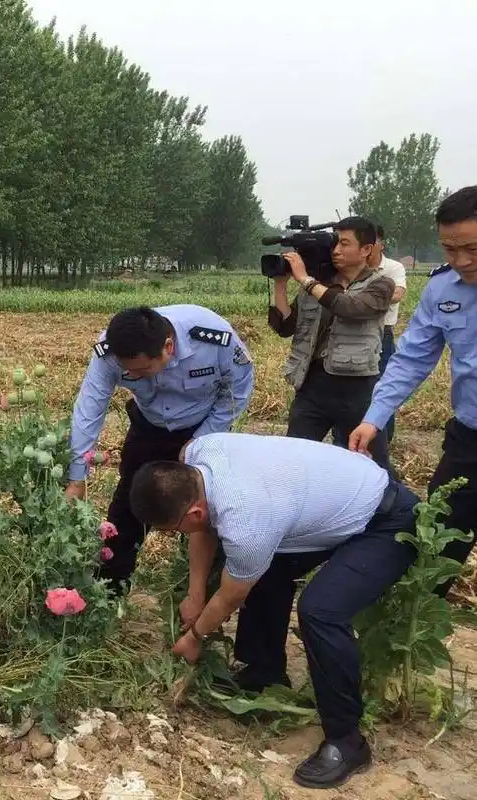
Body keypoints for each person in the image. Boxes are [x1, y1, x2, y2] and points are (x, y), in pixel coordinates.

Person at [129, 432, 418, 790]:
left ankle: (346, 741)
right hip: (329, 500)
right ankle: (264, 672)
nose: (175, 534)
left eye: (173, 529)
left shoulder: (247, 521)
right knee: (264, 569)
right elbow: (204, 528)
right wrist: (195, 591)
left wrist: (194, 637)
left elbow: (231, 596)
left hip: (386, 521)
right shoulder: (199, 452)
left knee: (320, 610)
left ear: (193, 511)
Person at [65, 305, 254, 594]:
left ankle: (198, 594)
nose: (132, 375)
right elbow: (90, 408)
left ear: (168, 346)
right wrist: (77, 477)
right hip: (149, 426)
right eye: (127, 371)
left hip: (203, 428)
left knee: (204, 513)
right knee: (128, 509)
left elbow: (237, 390)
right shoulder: (110, 349)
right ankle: (110, 592)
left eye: (141, 370)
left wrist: (201, 439)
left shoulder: (212, 339)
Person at [351, 185, 477, 595]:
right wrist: (375, 417)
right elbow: (411, 359)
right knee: (436, 539)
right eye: (449, 249)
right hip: (469, 439)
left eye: (472, 248)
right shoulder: (443, 289)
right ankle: (413, 629)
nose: (461, 261)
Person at [268, 216, 395, 471]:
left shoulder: (381, 284)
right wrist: (280, 286)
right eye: (335, 242)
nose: (336, 250)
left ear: (366, 249)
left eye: (344, 243)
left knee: (371, 463)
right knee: (294, 458)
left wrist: (305, 279)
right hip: (313, 386)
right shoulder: (318, 284)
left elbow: (350, 307)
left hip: (357, 388)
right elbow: (285, 326)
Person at [368, 224, 408, 445]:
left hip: (382, 334)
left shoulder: (393, 268)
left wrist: (361, 298)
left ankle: (383, 441)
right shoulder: (350, 268)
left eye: (371, 242)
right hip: (351, 335)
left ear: (381, 244)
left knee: (383, 388)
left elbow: (398, 293)